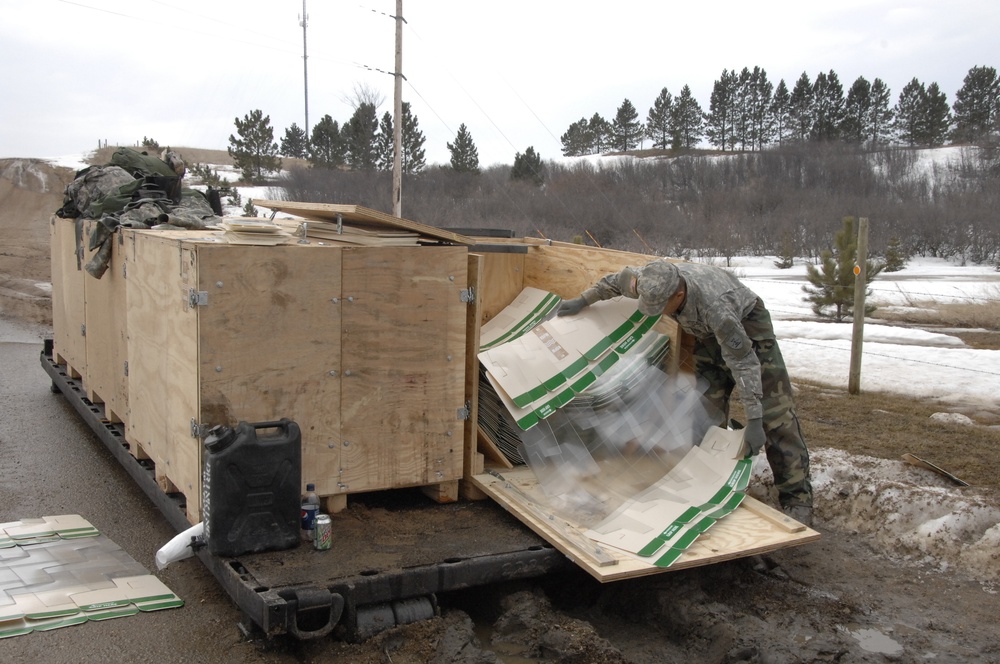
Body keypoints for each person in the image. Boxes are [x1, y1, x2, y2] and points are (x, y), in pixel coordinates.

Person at [558, 260, 814, 527]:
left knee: (776, 415)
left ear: (678, 295)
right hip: (707, 335)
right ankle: (711, 485)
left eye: (660, 308)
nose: (656, 313)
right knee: (704, 410)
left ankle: (797, 500)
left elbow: (744, 363)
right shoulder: (650, 281)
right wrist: (583, 300)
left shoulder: (718, 309)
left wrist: (755, 419)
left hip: (747, 327)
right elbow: (615, 282)